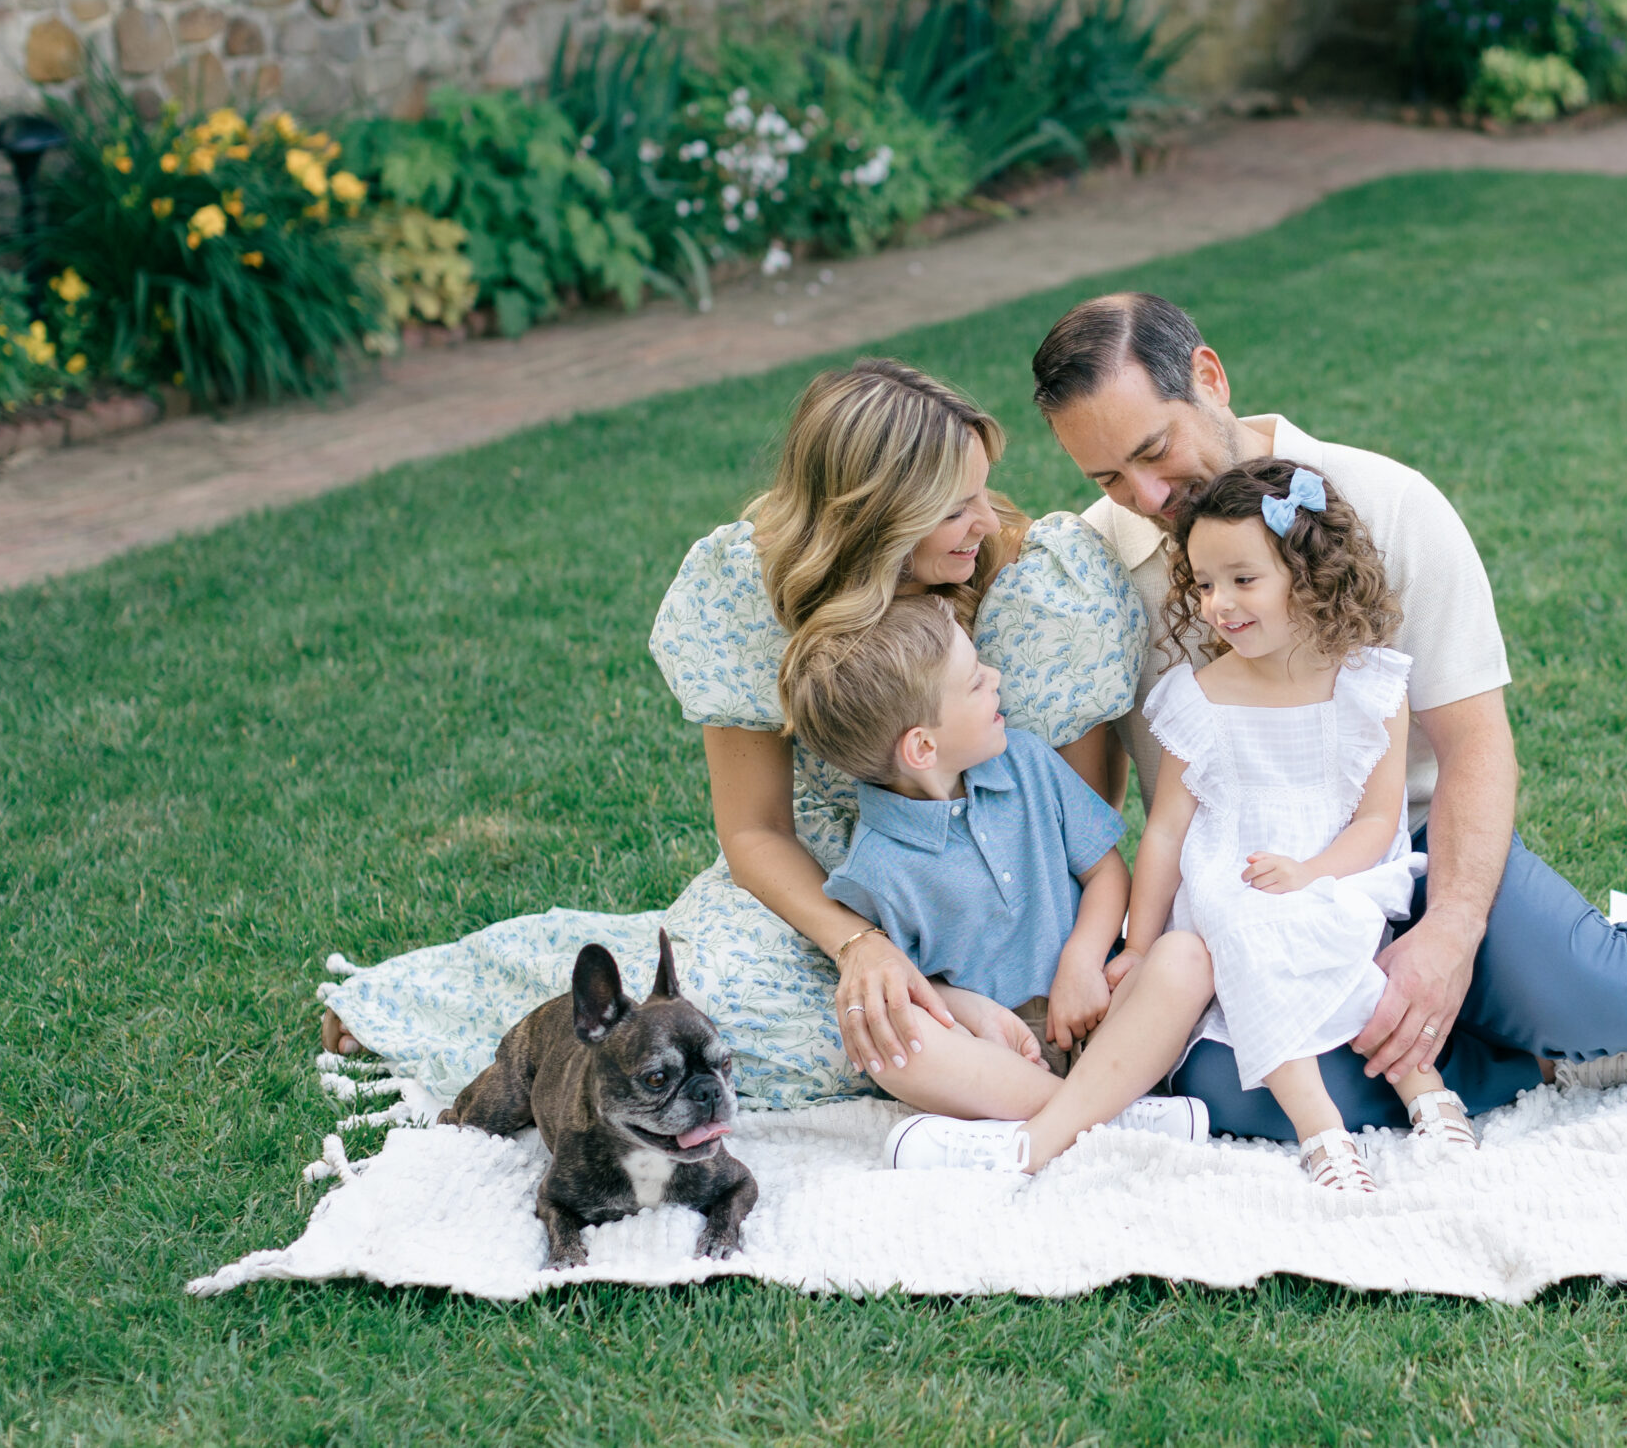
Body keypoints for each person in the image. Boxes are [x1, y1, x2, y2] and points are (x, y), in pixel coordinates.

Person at [1031, 292, 1627, 1142]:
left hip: (1409, 857)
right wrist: (1104, 953)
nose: (1147, 496)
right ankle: (1558, 1060)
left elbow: (1474, 747)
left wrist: (1450, 934)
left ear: (1210, 378)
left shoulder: (1385, 503)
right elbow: (1077, 800)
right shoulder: (1093, 566)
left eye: (1154, 450)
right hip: (1244, 910)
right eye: (1109, 475)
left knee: (1592, 986)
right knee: (1237, 1094)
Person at [316, 359, 1150, 1109]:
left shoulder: (1030, 585)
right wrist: (860, 947)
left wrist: (1044, 956)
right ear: (873, 517)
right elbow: (754, 831)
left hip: (999, 900)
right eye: (953, 506)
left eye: (982, 489)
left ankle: (994, 1060)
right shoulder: (746, 593)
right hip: (816, 895)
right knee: (703, 1022)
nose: (983, 518)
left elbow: (1079, 816)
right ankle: (452, 1003)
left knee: (903, 1025)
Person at [1132, 459, 1477, 1191]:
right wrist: (1138, 946)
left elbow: (1382, 815)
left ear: (1307, 572)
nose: (1219, 603)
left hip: (1338, 861)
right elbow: (1165, 833)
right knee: (1244, 923)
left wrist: (1312, 873)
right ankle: (1322, 1132)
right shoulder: (1198, 698)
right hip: (1235, 871)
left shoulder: (1369, 682)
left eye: (1243, 579)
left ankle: (1427, 1093)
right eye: (1203, 583)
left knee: (1323, 920)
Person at [784, 596, 1217, 1166]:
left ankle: (1039, 1134)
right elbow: (914, 984)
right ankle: (1106, 1117)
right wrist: (975, 1014)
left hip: (1099, 1010)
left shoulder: (1029, 762)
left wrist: (1082, 963)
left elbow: (1106, 870)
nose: (996, 679)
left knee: (1185, 958)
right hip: (996, 1057)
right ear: (922, 747)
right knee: (893, 1040)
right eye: (973, 682)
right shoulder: (875, 867)